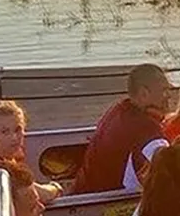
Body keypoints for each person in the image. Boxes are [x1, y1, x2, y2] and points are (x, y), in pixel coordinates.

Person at [73, 63, 172, 194]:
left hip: (85, 193)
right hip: (105, 205)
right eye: (164, 91)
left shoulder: (118, 111)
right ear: (143, 93)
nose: (169, 96)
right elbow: (170, 172)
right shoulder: (146, 129)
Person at [0, 100, 63, 203]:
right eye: (5, 132)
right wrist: (56, 187)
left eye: (18, 129)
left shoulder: (14, 155)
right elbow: (43, 194)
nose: (14, 137)